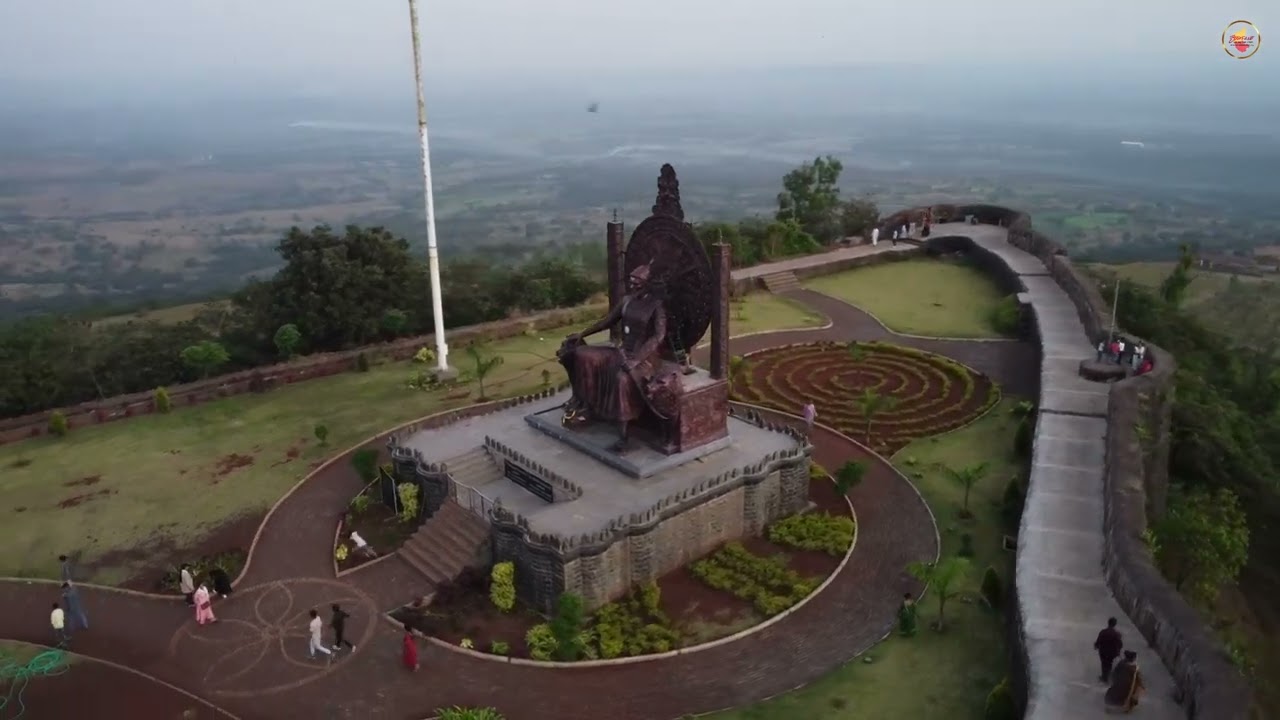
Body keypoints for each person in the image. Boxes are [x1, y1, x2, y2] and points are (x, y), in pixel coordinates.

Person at [1094, 617, 1124, 682]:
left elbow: (1099, 640)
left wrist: (1096, 646)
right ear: (1115, 624)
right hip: (1112, 653)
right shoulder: (1117, 634)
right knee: (1109, 664)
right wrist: (1118, 650)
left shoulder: (1103, 632)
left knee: (1104, 664)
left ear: (1108, 623)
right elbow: (1120, 644)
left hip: (1103, 651)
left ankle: (1104, 676)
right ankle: (1107, 676)